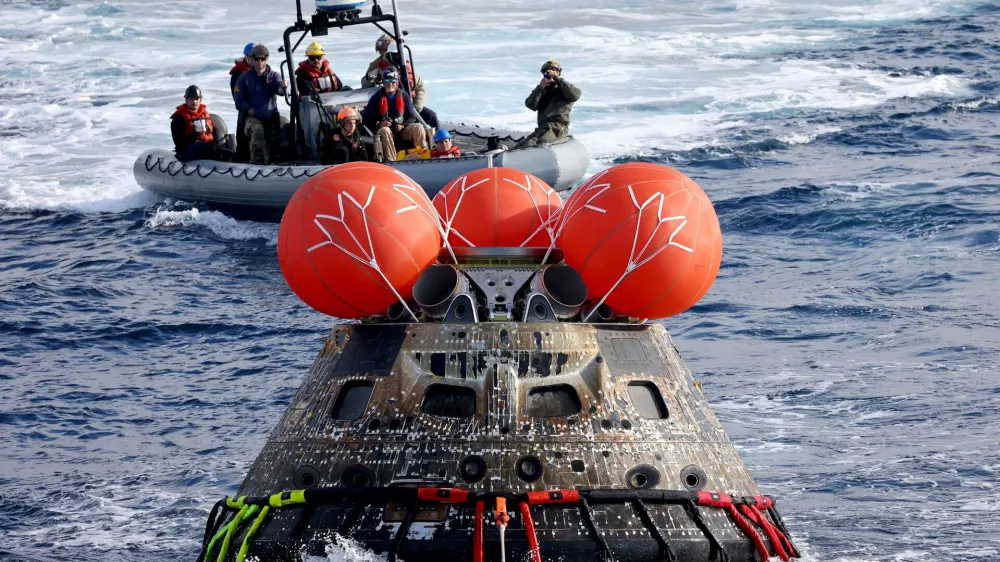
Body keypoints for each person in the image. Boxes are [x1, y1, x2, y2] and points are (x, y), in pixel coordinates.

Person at [362, 34, 439, 129]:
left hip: (408, 106)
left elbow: (421, 88)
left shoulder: (408, 70)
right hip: (386, 107)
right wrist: (372, 77)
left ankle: (438, 141)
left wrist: (416, 108)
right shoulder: (377, 66)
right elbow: (366, 84)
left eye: (398, 55)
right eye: (394, 55)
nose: (397, 57)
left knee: (431, 116)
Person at [234, 44, 288, 165]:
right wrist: (248, 109)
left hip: (270, 117)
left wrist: (282, 87)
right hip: (252, 118)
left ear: (266, 59)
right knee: (257, 129)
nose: (260, 62)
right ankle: (256, 161)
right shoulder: (244, 78)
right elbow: (238, 100)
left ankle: (272, 162)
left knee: (273, 142)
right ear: (252, 59)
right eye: (257, 59)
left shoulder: (274, 76)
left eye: (262, 59)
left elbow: (279, 92)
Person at [361, 67, 427, 162]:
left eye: (393, 81)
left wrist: (402, 126)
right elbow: (366, 120)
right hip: (384, 132)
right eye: (387, 80)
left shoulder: (404, 96)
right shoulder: (375, 98)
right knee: (385, 130)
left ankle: (423, 157)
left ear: (397, 82)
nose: (390, 83)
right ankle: (392, 161)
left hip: (401, 130)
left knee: (418, 127)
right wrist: (379, 124)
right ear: (383, 81)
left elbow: (412, 116)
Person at [513, 59, 581, 149]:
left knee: (532, 145)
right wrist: (540, 88)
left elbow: (575, 95)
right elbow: (530, 105)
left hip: (557, 128)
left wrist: (558, 79)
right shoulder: (542, 90)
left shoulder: (564, 88)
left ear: (559, 72)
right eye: (547, 71)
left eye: (554, 69)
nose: (551, 73)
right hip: (543, 128)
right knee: (517, 148)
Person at [295, 41, 343, 159]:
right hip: (311, 109)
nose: (316, 60)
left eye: (318, 57)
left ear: (323, 58)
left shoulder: (329, 71)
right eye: (312, 58)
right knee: (314, 133)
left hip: (330, 106)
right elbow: (307, 90)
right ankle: (313, 155)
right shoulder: (302, 74)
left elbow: (340, 86)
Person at [170, 85, 218, 162]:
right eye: (191, 99)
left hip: (206, 147)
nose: (194, 102)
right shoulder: (179, 119)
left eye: (196, 99)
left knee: (227, 143)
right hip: (188, 152)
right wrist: (192, 138)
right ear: (186, 100)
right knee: (202, 147)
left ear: (200, 100)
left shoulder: (205, 115)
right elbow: (179, 143)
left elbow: (214, 133)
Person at [229, 42, 255, 163]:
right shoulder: (238, 74)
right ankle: (243, 160)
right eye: (251, 56)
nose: (254, 59)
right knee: (243, 137)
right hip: (246, 111)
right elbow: (237, 97)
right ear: (246, 56)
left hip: (262, 110)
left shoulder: (264, 71)